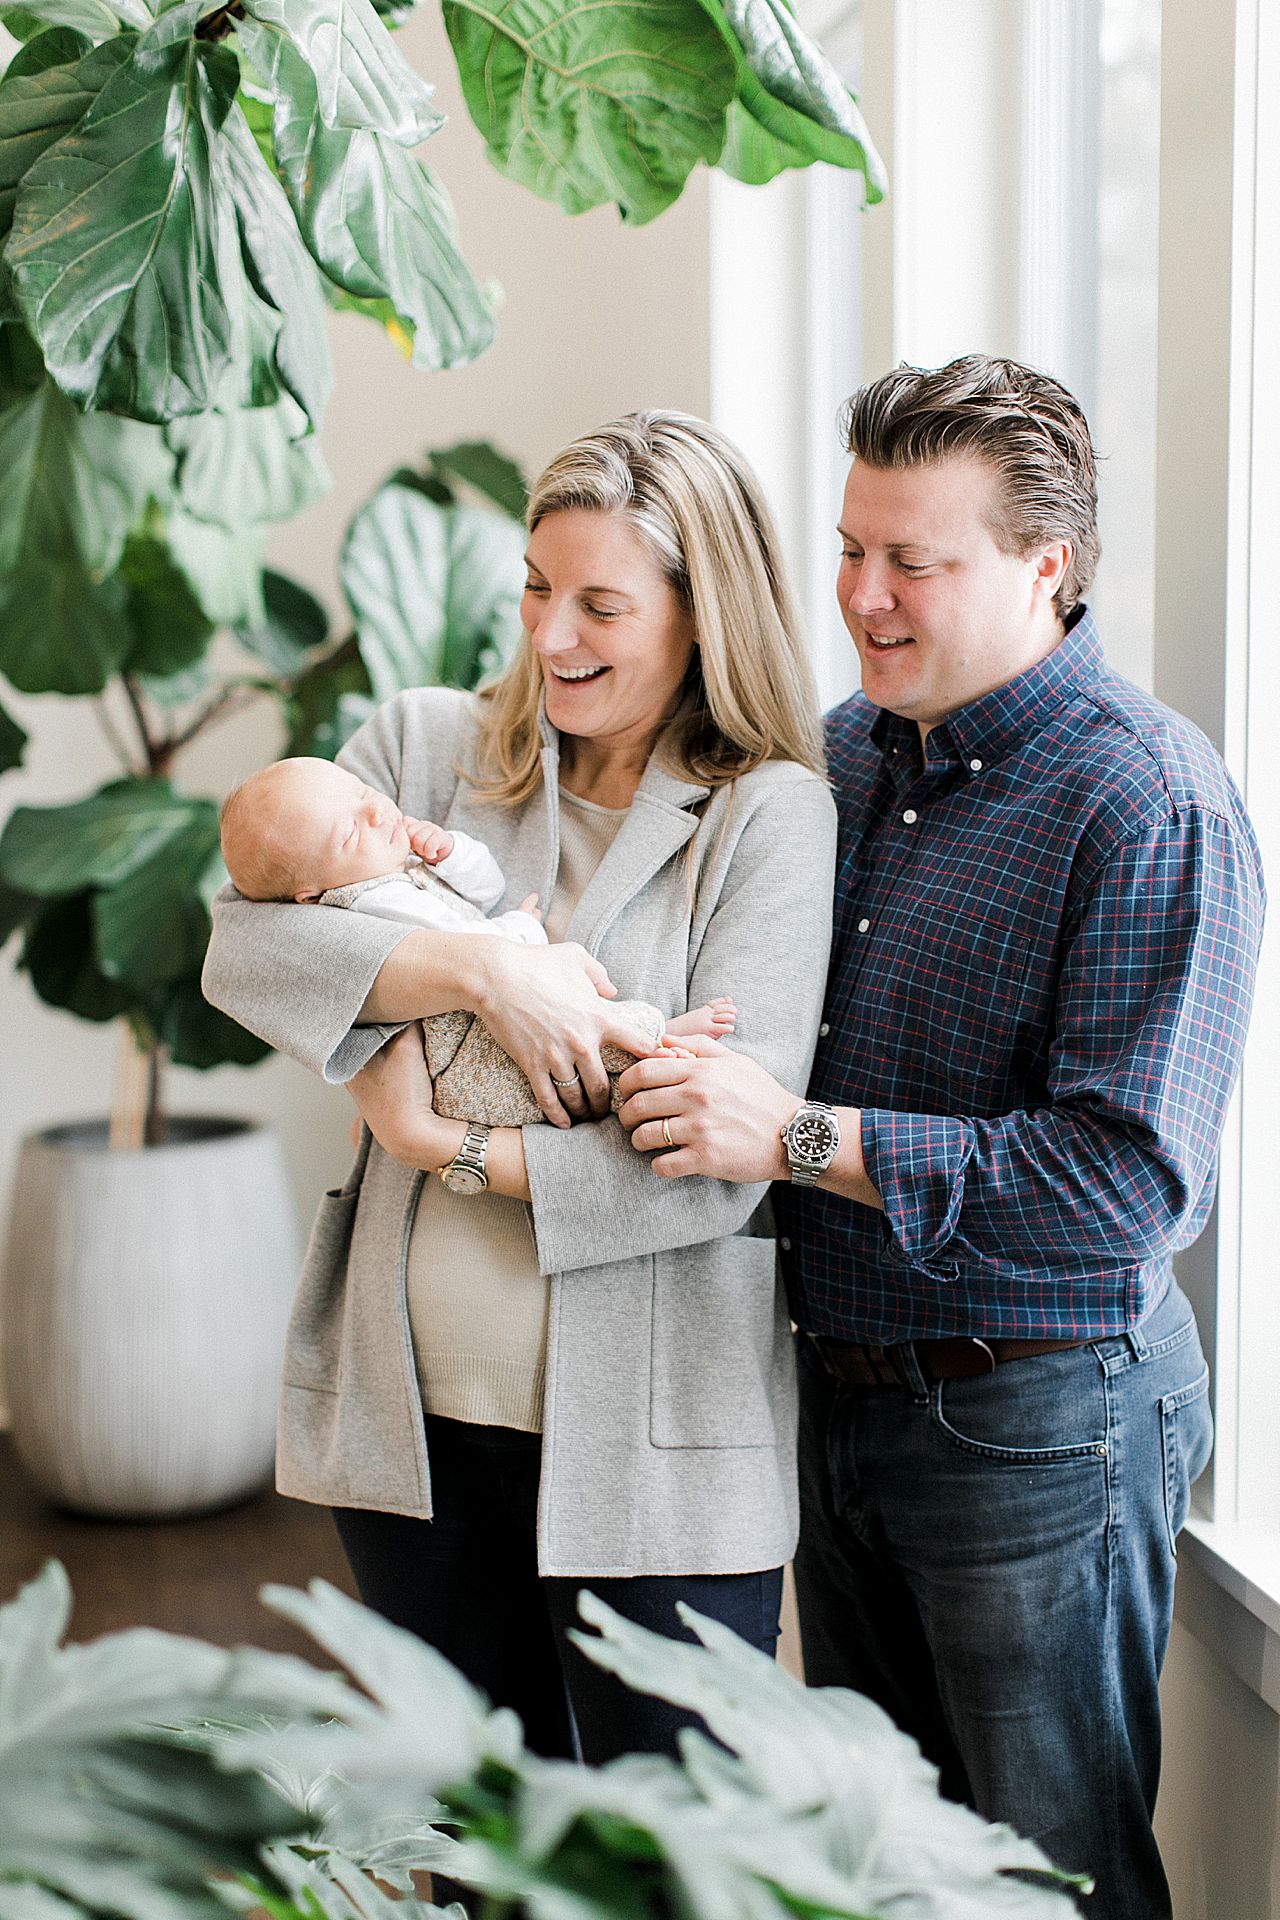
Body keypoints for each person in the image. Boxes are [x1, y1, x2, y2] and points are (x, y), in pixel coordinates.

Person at [615, 356, 1265, 1916]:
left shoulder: (1150, 803)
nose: (863, 596)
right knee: (884, 1874)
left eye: (917, 561)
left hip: (1034, 1421)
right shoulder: (841, 758)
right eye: (851, 548)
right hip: (835, 1405)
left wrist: (797, 1137)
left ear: (1048, 568)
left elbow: (1124, 1189)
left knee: (1053, 1877)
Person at [201, 410, 837, 1767]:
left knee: (661, 1868)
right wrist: (495, 981)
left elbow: (724, 1155)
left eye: (602, 604)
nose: (553, 638)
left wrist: (447, 1148)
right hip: (409, 1424)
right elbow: (245, 947)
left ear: (701, 613)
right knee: (474, 1854)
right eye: (539, 590)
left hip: (662, 1459)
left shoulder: (768, 815)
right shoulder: (427, 750)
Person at [217, 755, 735, 1124]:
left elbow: (487, 889)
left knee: (579, 1030)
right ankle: (660, 1042)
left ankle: (656, 1036)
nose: (376, 813)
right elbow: (472, 942)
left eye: (361, 792)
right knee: (578, 1064)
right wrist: (525, 929)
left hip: (486, 1033)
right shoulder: (374, 901)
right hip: (472, 1056)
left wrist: (449, 853)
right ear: (311, 895)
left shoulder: (393, 865)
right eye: (349, 834)